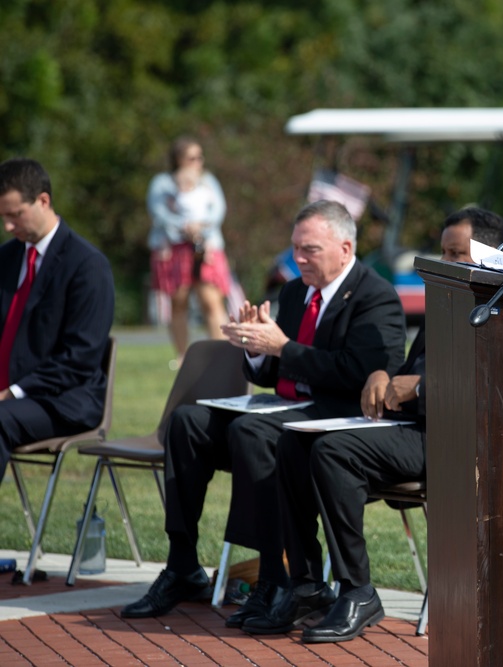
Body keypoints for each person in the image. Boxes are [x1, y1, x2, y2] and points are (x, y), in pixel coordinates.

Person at [121, 200, 407, 621]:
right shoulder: (293, 292)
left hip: (334, 418)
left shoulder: (375, 296)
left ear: (345, 249)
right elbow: (274, 371)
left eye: (310, 249)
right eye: (295, 248)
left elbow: (358, 373)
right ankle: (182, 565)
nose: (298, 258)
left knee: (250, 433)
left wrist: (282, 348)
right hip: (284, 407)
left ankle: (274, 578)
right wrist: (256, 350)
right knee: (187, 423)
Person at [240, 207, 503, 640]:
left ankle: (358, 591)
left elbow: (484, 388)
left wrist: (420, 390)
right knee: (293, 444)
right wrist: (385, 376)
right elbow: (414, 366)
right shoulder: (449, 299)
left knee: (334, 450)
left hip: (452, 441)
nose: (446, 263)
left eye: (458, 254)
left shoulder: (498, 310)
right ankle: (306, 584)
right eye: (443, 252)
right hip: (410, 428)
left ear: (493, 258)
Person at [0, 158, 115, 476]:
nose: (8, 227)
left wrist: (12, 393)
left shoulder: (87, 265)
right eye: (3, 217)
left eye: (15, 215)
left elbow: (80, 357)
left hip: (64, 400)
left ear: (43, 201)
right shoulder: (6, 259)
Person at [147, 136, 232, 367]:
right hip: (174, 247)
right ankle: (183, 357)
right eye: (192, 157)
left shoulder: (209, 180)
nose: (198, 161)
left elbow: (218, 211)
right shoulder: (162, 183)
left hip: (206, 246)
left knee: (212, 301)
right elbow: (158, 212)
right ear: (178, 159)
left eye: (200, 157)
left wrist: (199, 226)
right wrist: (183, 226)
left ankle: (221, 354)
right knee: (179, 302)